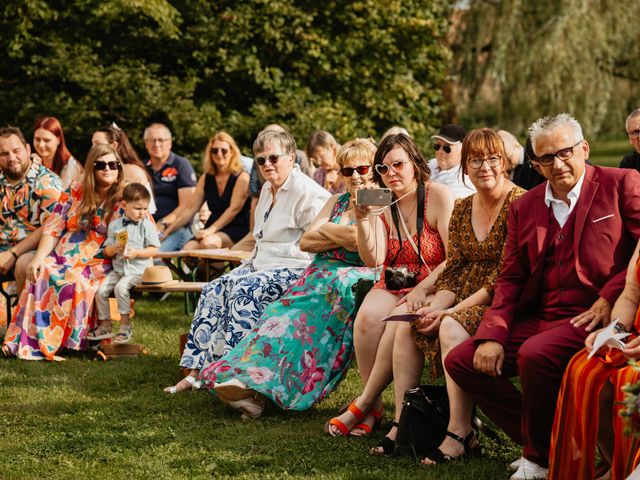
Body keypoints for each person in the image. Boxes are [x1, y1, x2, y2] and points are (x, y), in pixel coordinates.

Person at [444, 113, 640, 480]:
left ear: (584, 148)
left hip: (595, 315)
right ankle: (556, 441)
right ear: (534, 163)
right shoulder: (526, 205)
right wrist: (492, 335)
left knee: (536, 354)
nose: (558, 163)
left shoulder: (621, 183)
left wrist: (612, 294)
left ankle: (538, 458)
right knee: (461, 360)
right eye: (546, 158)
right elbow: (512, 277)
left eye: (565, 152)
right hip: (539, 314)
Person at [198, 139, 378, 418]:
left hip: (350, 276)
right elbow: (306, 241)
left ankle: (263, 390)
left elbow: (362, 243)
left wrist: (328, 231)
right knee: (278, 317)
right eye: (346, 170)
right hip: (318, 273)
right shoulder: (336, 201)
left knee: (304, 324)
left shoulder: (379, 200)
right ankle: (246, 381)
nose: (354, 176)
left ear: (374, 170)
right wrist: (341, 234)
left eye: (362, 168)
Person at [164, 128, 330, 394]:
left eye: (273, 158)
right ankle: (196, 371)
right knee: (213, 289)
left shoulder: (308, 192)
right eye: (261, 160)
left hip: (294, 268)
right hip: (261, 263)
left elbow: (320, 243)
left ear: (291, 158)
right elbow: (259, 237)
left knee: (244, 291)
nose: (266, 165)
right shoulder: (267, 190)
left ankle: (235, 376)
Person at [324, 133, 454, 437]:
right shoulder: (378, 198)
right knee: (367, 320)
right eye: (382, 168)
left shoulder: (437, 196)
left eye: (398, 164)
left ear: (415, 163)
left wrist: (423, 289)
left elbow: (455, 257)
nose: (391, 173)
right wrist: (363, 220)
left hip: (433, 281)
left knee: (396, 322)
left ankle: (365, 403)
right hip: (396, 278)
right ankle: (373, 408)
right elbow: (374, 259)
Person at [409, 129, 526, 463]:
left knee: (449, 327)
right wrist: (436, 305)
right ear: (465, 166)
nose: (484, 167)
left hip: (503, 300)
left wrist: (450, 313)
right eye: (475, 160)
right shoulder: (462, 208)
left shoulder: (520, 203)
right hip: (463, 295)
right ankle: (405, 423)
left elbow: (505, 275)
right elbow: (455, 269)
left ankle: (459, 431)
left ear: (504, 163)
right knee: (413, 323)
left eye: (492, 159)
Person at [2, 144, 126, 360]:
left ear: (119, 169)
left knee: (74, 279)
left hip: (99, 259)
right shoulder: (76, 191)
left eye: (113, 165)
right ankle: (27, 340)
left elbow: (133, 231)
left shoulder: (123, 198)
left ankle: (67, 341)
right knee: (42, 271)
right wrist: (39, 258)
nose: (107, 169)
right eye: (101, 165)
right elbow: (53, 225)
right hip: (63, 255)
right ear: (91, 169)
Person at [548, 242, 640, 480]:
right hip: (634, 339)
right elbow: (630, 295)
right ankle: (617, 465)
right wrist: (614, 329)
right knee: (584, 369)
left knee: (629, 377)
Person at [90, 183, 160, 344]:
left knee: (121, 288)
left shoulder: (147, 225)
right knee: (100, 291)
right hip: (119, 270)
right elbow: (106, 250)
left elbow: (154, 250)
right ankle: (105, 324)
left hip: (139, 271)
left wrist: (137, 253)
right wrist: (114, 248)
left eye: (145, 209)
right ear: (124, 205)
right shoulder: (115, 225)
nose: (142, 213)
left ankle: (125, 325)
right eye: (137, 208)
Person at [0, 127, 64, 294]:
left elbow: (51, 226)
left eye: (16, 151)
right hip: (3, 248)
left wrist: (12, 254)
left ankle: (25, 320)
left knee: (24, 265)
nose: (12, 158)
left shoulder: (47, 181)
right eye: (4, 154)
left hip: (36, 249)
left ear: (27, 149)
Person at [162, 131, 250, 250]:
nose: (219, 154)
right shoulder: (206, 177)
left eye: (223, 150)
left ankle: (217, 269)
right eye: (214, 150)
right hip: (212, 226)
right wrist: (168, 231)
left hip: (236, 226)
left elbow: (234, 209)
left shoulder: (242, 176)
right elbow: (190, 209)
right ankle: (207, 269)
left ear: (232, 152)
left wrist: (211, 230)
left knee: (208, 244)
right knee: (188, 249)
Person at [143, 122, 196, 252]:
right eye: (152, 140)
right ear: (146, 144)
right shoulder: (142, 167)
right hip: (146, 227)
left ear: (170, 143)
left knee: (154, 258)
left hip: (177, 227)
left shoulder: (181, 165)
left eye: (161, 140)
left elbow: (187, 205)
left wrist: (163, 223)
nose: (156, 144)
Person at [92, 123, 157, 215]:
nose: (92, 148)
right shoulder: (95, 171)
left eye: (97, 144)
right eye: (92, 144)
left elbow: (142, 211)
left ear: (114, 145)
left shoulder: (134, 172)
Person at [32, 116, 84, 188]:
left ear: (58, 140)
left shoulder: (70, 167)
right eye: (37, 139)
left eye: (47, 140)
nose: (41, 145)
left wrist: (40, 173)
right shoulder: (33, 161)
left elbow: (59, 196)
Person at [428, 124, 476, 199]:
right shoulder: (430, 164)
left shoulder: (464, 178)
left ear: (463, 149)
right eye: (437, 146)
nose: (440, 151)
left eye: (447, 148)